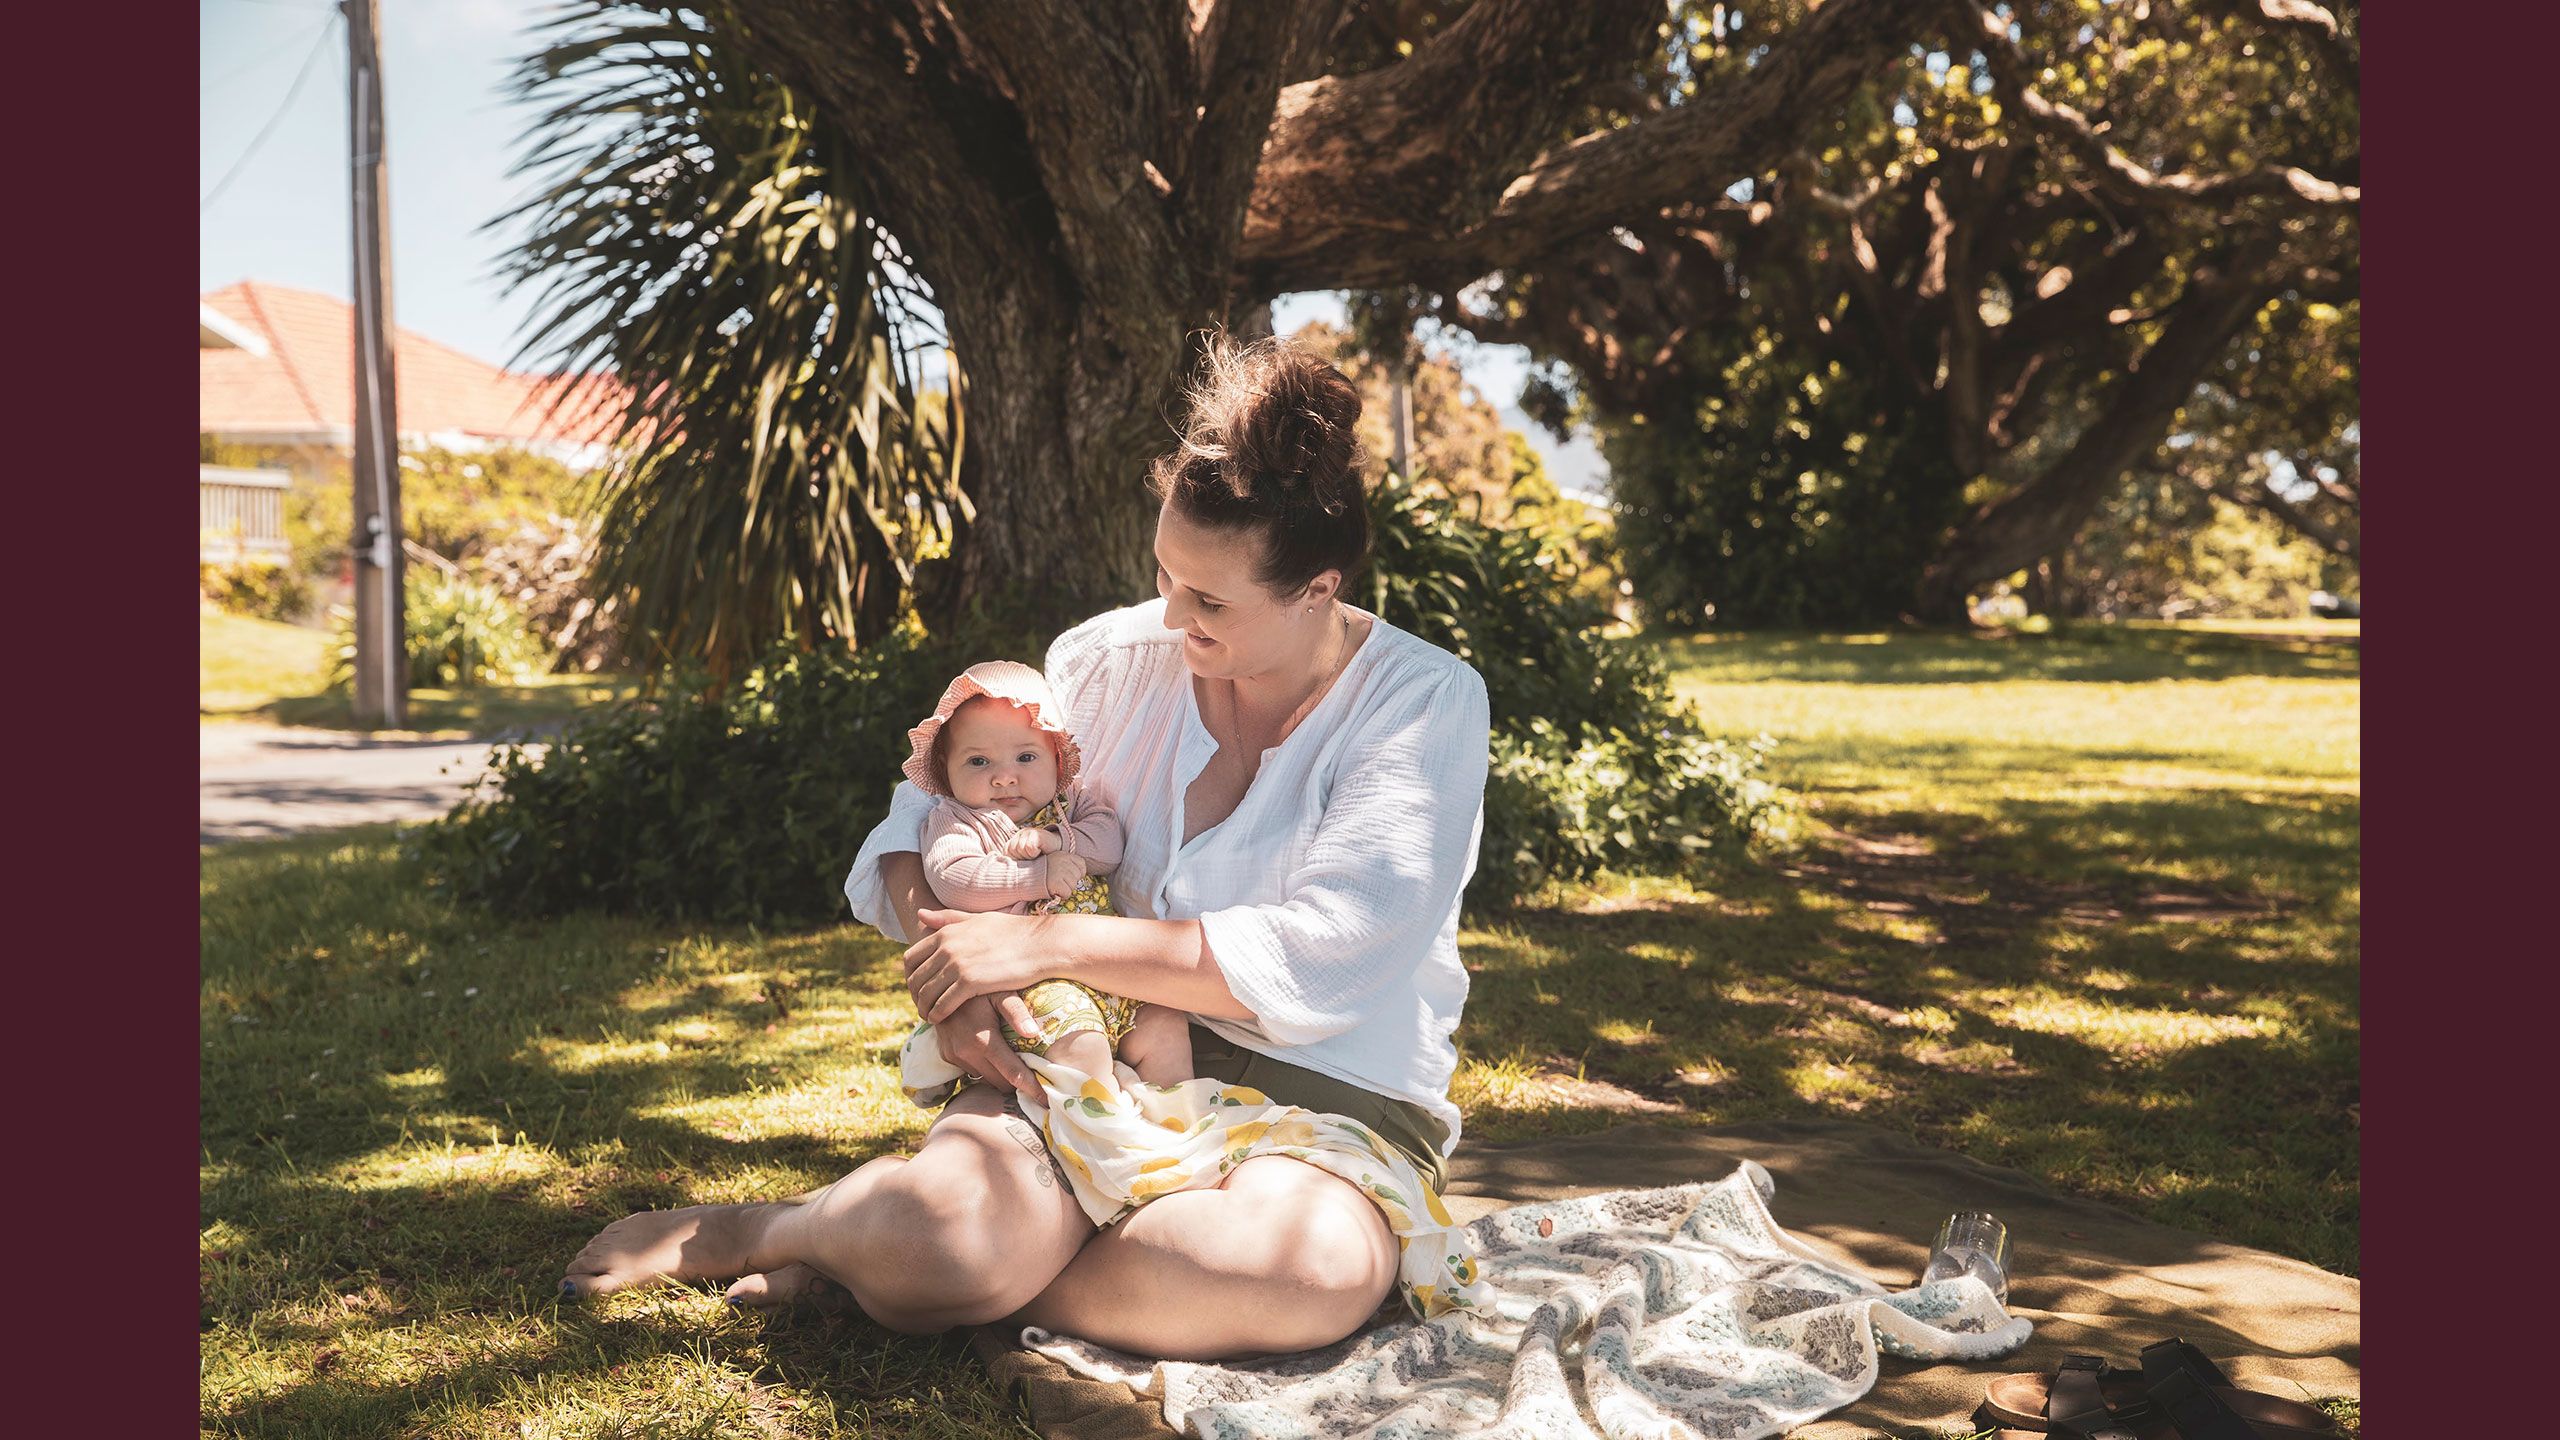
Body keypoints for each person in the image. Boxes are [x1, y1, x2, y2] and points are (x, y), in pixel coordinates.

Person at [561, 332, 1492, 1360]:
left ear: (1318, 588)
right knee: (946, 1236)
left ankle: (879, 1268)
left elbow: (1332, 946)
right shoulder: (1102, 661)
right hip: (1084, 1055)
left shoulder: (1423, 702)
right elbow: (918, 820)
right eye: (1166, 575)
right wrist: (956, 975)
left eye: (1211, 601)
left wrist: (1046, 948)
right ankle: (783, 1231)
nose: (1172, 614)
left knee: (1282, 1270)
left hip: (1331, 1086)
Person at [888, 659, 1196, 1103]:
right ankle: (1100, 1130)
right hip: (1030, 978)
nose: (1004, 776)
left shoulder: (1071, 806)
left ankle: (1174, 1122)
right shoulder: (957, 820)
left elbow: (1110, 845)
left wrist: (1054, 839)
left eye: (1026, 757)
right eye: (978, 761)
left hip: (1107, 966)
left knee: (1166, 1024)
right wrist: (1036, 876)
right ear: (945, 767)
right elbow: (955, 879)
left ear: (1056, 758)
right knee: (1080, 1048)